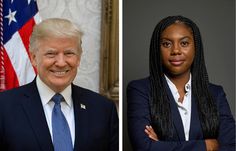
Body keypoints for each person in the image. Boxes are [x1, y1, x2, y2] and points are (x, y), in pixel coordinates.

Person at [0, 18, 118, 151]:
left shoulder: (103, 109)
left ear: (78, 58)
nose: (61, 63)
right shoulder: (4, 107)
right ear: (33, 58)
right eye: (51, 54)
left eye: (69, 53)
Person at [127, 15, 235, 151]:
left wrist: (162, 145)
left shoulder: (215, 93)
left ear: (196, 47)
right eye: (167, 44)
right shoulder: (140, 90)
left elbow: (231, 146)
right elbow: (144, 147)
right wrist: (208, 145)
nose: (176, 50)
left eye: (184, 43)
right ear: (157, 49)